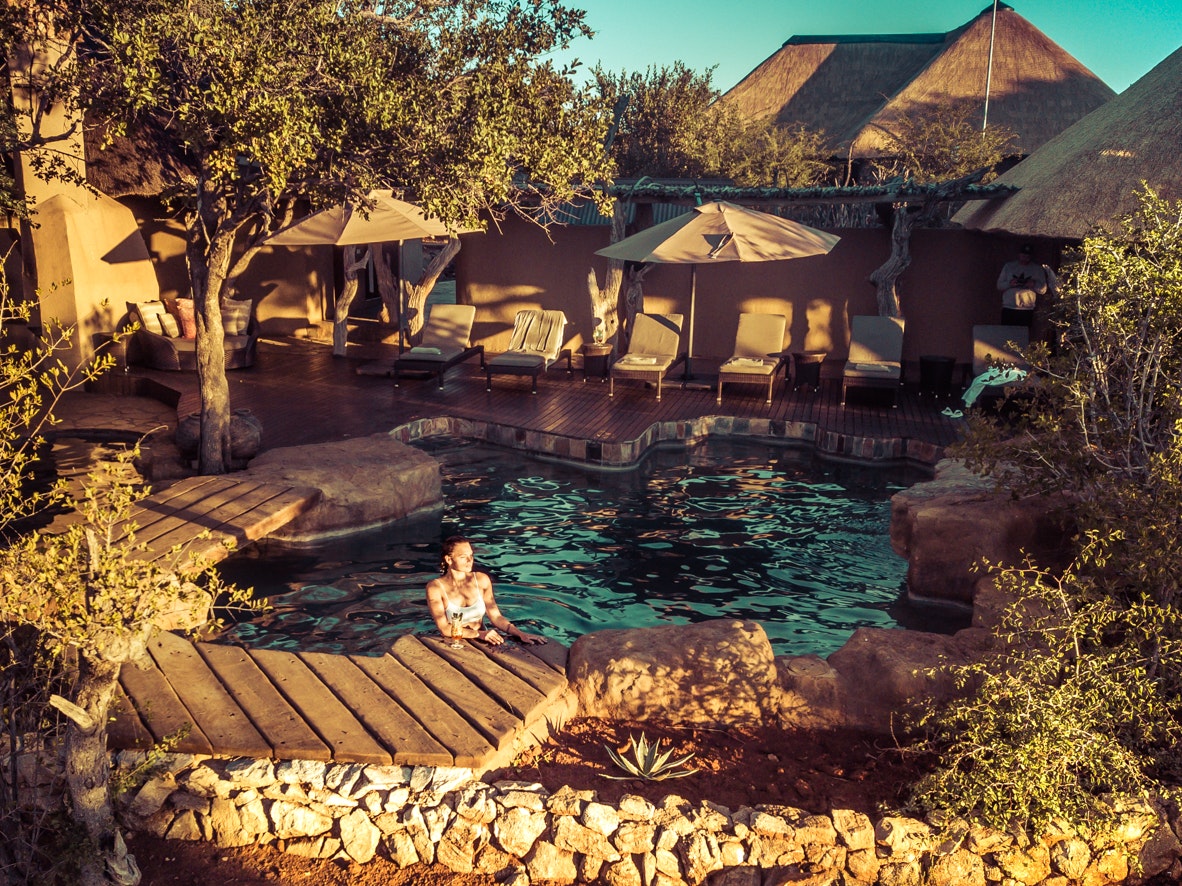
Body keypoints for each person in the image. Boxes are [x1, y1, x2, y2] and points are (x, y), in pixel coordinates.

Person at [426, 536, 544, 645]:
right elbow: (444, 628)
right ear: (449, 559)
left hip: (483, 638)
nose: (470, 560)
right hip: (455, 642)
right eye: (463, 557)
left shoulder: (481, 580)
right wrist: (479, 634)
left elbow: (496, 617)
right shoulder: (435, 588)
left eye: (471, 555)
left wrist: (520, 633)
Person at [997, 243, 1053, 327]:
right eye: (1023, 255)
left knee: (1023, 333)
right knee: (1007, 333)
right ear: (1019, 255)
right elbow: (999, 285)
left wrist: (1033, 284)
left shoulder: (1037, 269)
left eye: (1027, 256)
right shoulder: (1009, 267)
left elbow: (1043, 290)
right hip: (1009, 307)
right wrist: (1010, 283)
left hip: (1026, 309)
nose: (1025, 258)